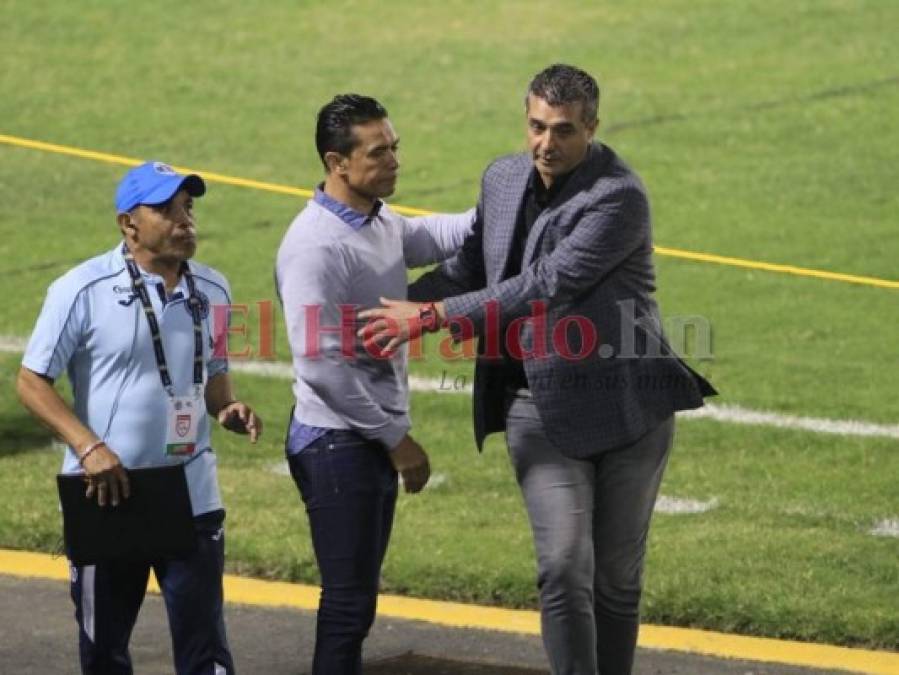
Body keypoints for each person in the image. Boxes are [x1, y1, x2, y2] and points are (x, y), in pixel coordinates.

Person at [358, 64, 716, 675]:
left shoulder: (618, 196)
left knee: (616, 581)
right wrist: (381, 309)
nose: (546, 143)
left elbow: (547, 284)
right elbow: (475, 264)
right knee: (563, 567)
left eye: (564, 131)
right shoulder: (501, 178)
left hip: (631, 410)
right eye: (536, 126)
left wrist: (432, 317)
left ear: (593, 129)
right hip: (539, 404)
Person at [16, 161, 262, 675]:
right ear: (128, 224)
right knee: (104, 653)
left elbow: (213, 379)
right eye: (167, 210)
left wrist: (227, 409)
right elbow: (31, 382)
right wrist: (89, 447)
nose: (184, 220)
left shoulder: (213, 290)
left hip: (190, 492)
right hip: (106, 494)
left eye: (188, 208)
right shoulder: (81, 289)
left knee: (208, 655)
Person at [275, 93, 473, 675]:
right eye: (378, 152)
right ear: (337, 163)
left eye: (395, 147)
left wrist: (505, 204)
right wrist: (395, 439)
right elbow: (320, 366)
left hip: (356, 439)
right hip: (338, 442)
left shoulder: (373, 219)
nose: (393, 161)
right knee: (346, 605)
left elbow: (429, 238)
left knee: (355, 603)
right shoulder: (314, 247)